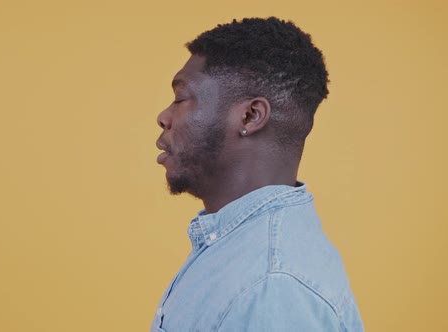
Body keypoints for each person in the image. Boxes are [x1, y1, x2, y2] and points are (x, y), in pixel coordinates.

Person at [151, 17, 364, 331]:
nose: (164, 116)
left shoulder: (270, 288)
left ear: (250, 116)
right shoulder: (239, 253)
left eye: (181, 98)